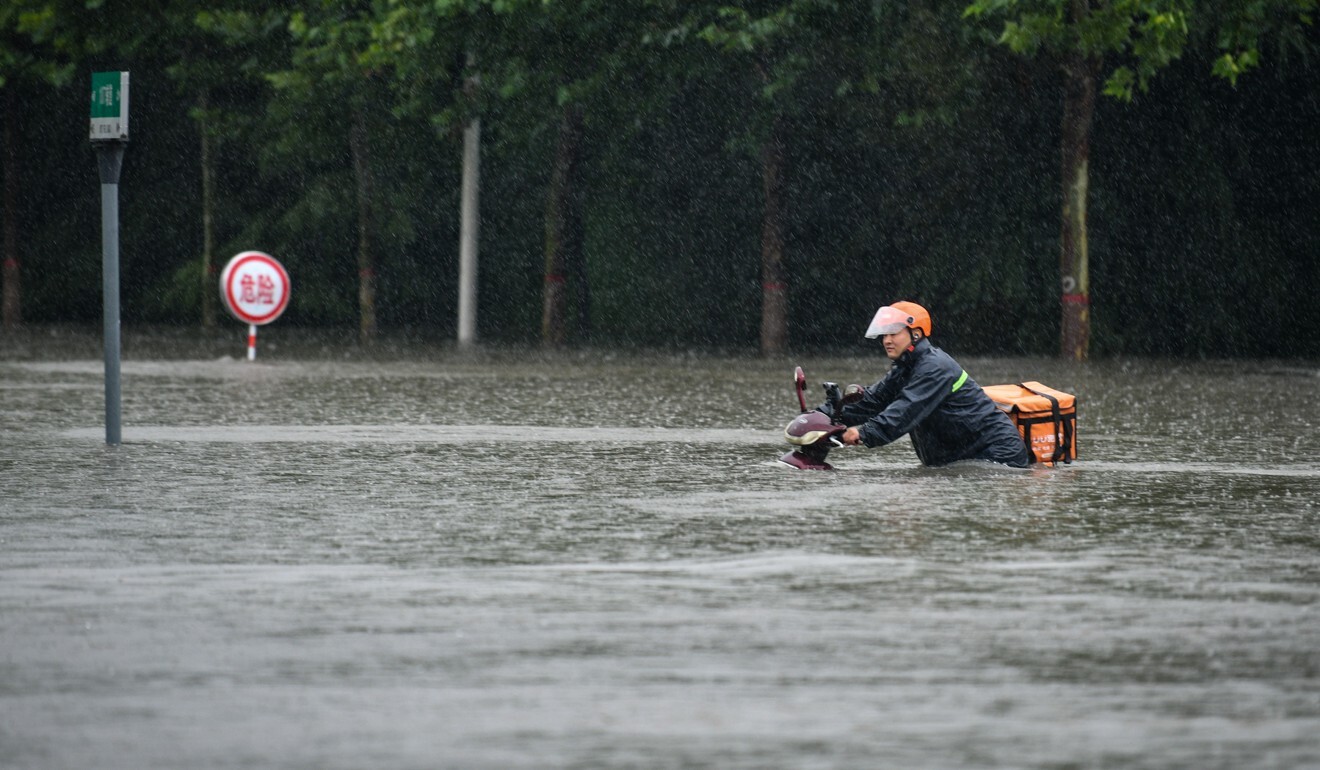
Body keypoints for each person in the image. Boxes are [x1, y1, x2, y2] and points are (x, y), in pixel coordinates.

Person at [820, 300, 1031, 468]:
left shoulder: (935, 367)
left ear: (916, 334)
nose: (887, 340)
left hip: (998, 456)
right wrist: (823, 416)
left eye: (894, 333)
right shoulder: (905, 367)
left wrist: (862, 433)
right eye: (885, 334)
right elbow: (872, 401)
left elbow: (906, 410)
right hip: (958, 458)